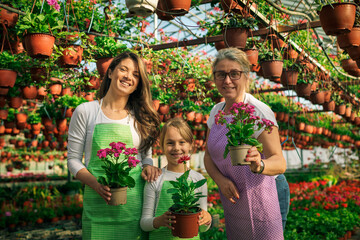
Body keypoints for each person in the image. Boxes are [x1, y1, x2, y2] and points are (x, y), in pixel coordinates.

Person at [67, 51, 161, 240]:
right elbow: (73, 160)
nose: (128, 77)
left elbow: (145, 157)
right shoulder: (86, 111)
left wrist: (149, 166)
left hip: (133, 207)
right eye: (123, 70)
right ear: (110, 73)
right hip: (97, 203)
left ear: (138, 84)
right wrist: (96, 184)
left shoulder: (140, 118)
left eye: (135, 75)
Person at [204, 47, 287, 240]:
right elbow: (208, 156)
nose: (227, 81)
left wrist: (260, 164)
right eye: (221, 74)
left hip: (264, 195)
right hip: (233, 197)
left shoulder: (259, 111)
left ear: (246, 77)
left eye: (234, 74)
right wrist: (220, 180)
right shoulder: (216, 112)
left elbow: (280, 163)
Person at [140, 117, 211, 239]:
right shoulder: (156, 178)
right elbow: (144, 224)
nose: (176, 148)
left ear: (190, 145)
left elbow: (202, 227)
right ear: (162, 146)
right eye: (170, 143)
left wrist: (207, 219)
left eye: (182, 142)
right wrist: (159, 221)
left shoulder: (198, 180)